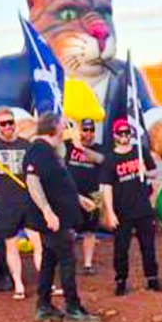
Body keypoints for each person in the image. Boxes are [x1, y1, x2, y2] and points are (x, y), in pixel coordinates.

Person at [23, 111, 102, 322]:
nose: (65, 130)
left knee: (49, 260)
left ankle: (44, 305)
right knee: (67, 260)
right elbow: (33, 182)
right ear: (54, 128)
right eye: (62, 126)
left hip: (59, 216)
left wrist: (78, 198)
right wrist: (48, 211)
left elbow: (56, 183)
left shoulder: (50, 151)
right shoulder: (38, 151)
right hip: (53, 220)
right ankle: (73, 309)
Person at [0, 106, 42, 300]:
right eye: (3, 123)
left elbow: (37, 172)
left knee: (39, 243)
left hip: (28, 201)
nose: (8, 126)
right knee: (11, 246)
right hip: (5, 204)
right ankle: (18, 285)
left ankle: (46, 283)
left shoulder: (26, 145)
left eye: (11, 122)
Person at [100, 117, 162, 296]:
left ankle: (152, 278)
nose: (125, 136)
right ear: (115, 135)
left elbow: (155, 172)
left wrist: (146, 172)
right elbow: (107, 187)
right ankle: (121, 281)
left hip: (142, 208)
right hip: (122, 211)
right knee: (121, 248)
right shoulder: (110, 159)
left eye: (127, 132)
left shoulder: (140, 151)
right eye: (121, 133)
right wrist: (110, 212)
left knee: (148, 246)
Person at [64, 116, 105, 274]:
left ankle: (88, 264)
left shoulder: (100, 148)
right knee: (68, 229)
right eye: (85, 129)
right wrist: (71, 134)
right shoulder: (68, 146)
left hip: (94, 193)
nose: (88, 133)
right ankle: (68, 261)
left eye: (91, 130)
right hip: (71, 193)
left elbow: (101, 160)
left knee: (90, 230)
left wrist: (81, 148)